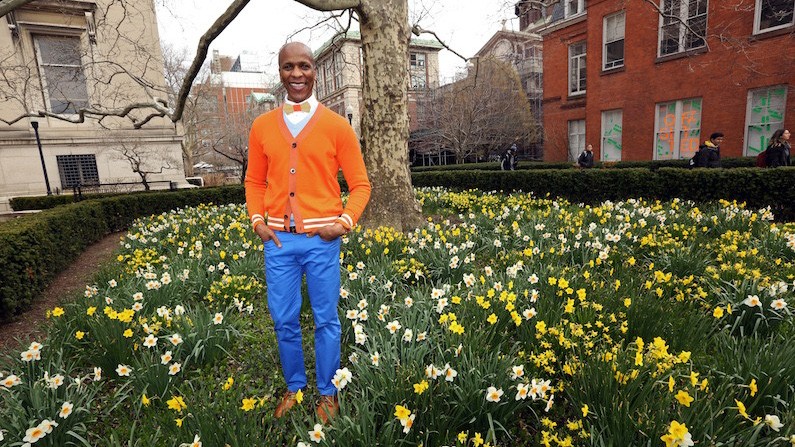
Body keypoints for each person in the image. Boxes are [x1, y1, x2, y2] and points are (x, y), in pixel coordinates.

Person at [245, 42, 371, 423]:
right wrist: (258, 222)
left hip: (322, 241)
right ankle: (295, 387)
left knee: (326, 319)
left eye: (304, 66)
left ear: (315, 70)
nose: (296, 74)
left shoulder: (336, 126)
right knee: (283, 318)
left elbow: (361, 184)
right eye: (288, 67)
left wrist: (343, 223)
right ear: (280, 72)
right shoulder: (262, 126)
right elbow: (253, 180)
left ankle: (328, 392)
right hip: (279, 242)